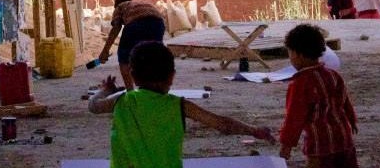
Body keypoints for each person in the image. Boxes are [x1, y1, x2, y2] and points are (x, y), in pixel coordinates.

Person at [89, 41, 275, 168]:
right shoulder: (179, 105)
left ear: (133, 76)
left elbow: (93, 105)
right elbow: (223, 124)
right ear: (172, 76)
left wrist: (106, 90)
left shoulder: (121, 101)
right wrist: (254, 130)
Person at [280, 24, 359, 167]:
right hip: (344, 139)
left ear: (297, 54)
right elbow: (345, 102)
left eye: (290, 53)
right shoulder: (333, 75)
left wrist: (287, 145)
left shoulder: (300, 84)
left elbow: (294, 117)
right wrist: (352, 120)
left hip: (319, 145)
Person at [98, 0, 166, 89]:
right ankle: (156, 88)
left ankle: (130, 91)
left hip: (135, 25)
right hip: (158, 24)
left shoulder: (120, 7)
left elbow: (116, 27)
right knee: (153, 56)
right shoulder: (141, 4)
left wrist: (105, 51)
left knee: (124, 56)